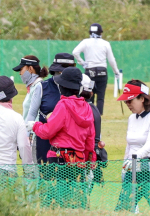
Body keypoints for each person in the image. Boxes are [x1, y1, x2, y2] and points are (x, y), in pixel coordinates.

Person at [29, 67, 96, 209]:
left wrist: (35, 126)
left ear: (62, 87)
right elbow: (90, 140)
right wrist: (90, 160)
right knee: (75, 199)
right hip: (78, 160)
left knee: (55, 201)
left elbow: (47, 132)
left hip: (59, 158)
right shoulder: (87, 107)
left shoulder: (63, 105)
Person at [115, 80, 150, 213]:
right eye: (125, 101)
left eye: (130, 100)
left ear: (142, 98)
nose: (127, 104)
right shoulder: (132, 118)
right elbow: (130, 144)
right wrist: (125, 163)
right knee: (124, 210)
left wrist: (134, 159)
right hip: (132, 170)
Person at [33, 53, 77, 164]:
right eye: (60, 71)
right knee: (46, 174)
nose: (61, 74)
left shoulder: (77, 88)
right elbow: (32, 113)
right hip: (44, 138)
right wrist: (28, 134)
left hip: (69, 141)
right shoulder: (42, 86)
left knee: (68, 176)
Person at [72, 23, 120, 114]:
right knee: (100, 96)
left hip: (90, 73)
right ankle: (99, 114)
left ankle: (90, 112)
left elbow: (75, 52)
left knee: (90, 92)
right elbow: (111, 60)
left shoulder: (86, 42)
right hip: (102, 73)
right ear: (101, 33)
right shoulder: (105, 43)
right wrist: (116, 72)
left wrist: (82, 62)